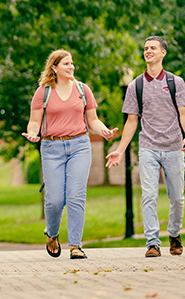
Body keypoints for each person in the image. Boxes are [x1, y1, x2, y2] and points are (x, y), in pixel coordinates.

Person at [22, 49, 117, 259]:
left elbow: (92, 120)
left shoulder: (83, 90)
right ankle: (52, 234)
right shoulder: (43, 92)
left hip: (80, 146)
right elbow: (35, 121)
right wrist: (31, 133)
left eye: (72, 63)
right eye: (66, 64)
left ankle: (75, 245)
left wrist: (104, 131)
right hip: (51, 147)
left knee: (76, 196)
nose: (71, 67)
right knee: (54, 199)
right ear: (54, 67)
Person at [106, 36, 185, 257]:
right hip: (148, 148)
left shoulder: (176, 82)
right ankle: (153, 243)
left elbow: (184, 113)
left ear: (163, 53)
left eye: (153, 48)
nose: (148, 51)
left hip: (174, 146)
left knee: (177, 197)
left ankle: (174, 234)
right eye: (145, 48)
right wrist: (120, 150)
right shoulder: (136, 85)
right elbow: (131, 122)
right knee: (149, 195)